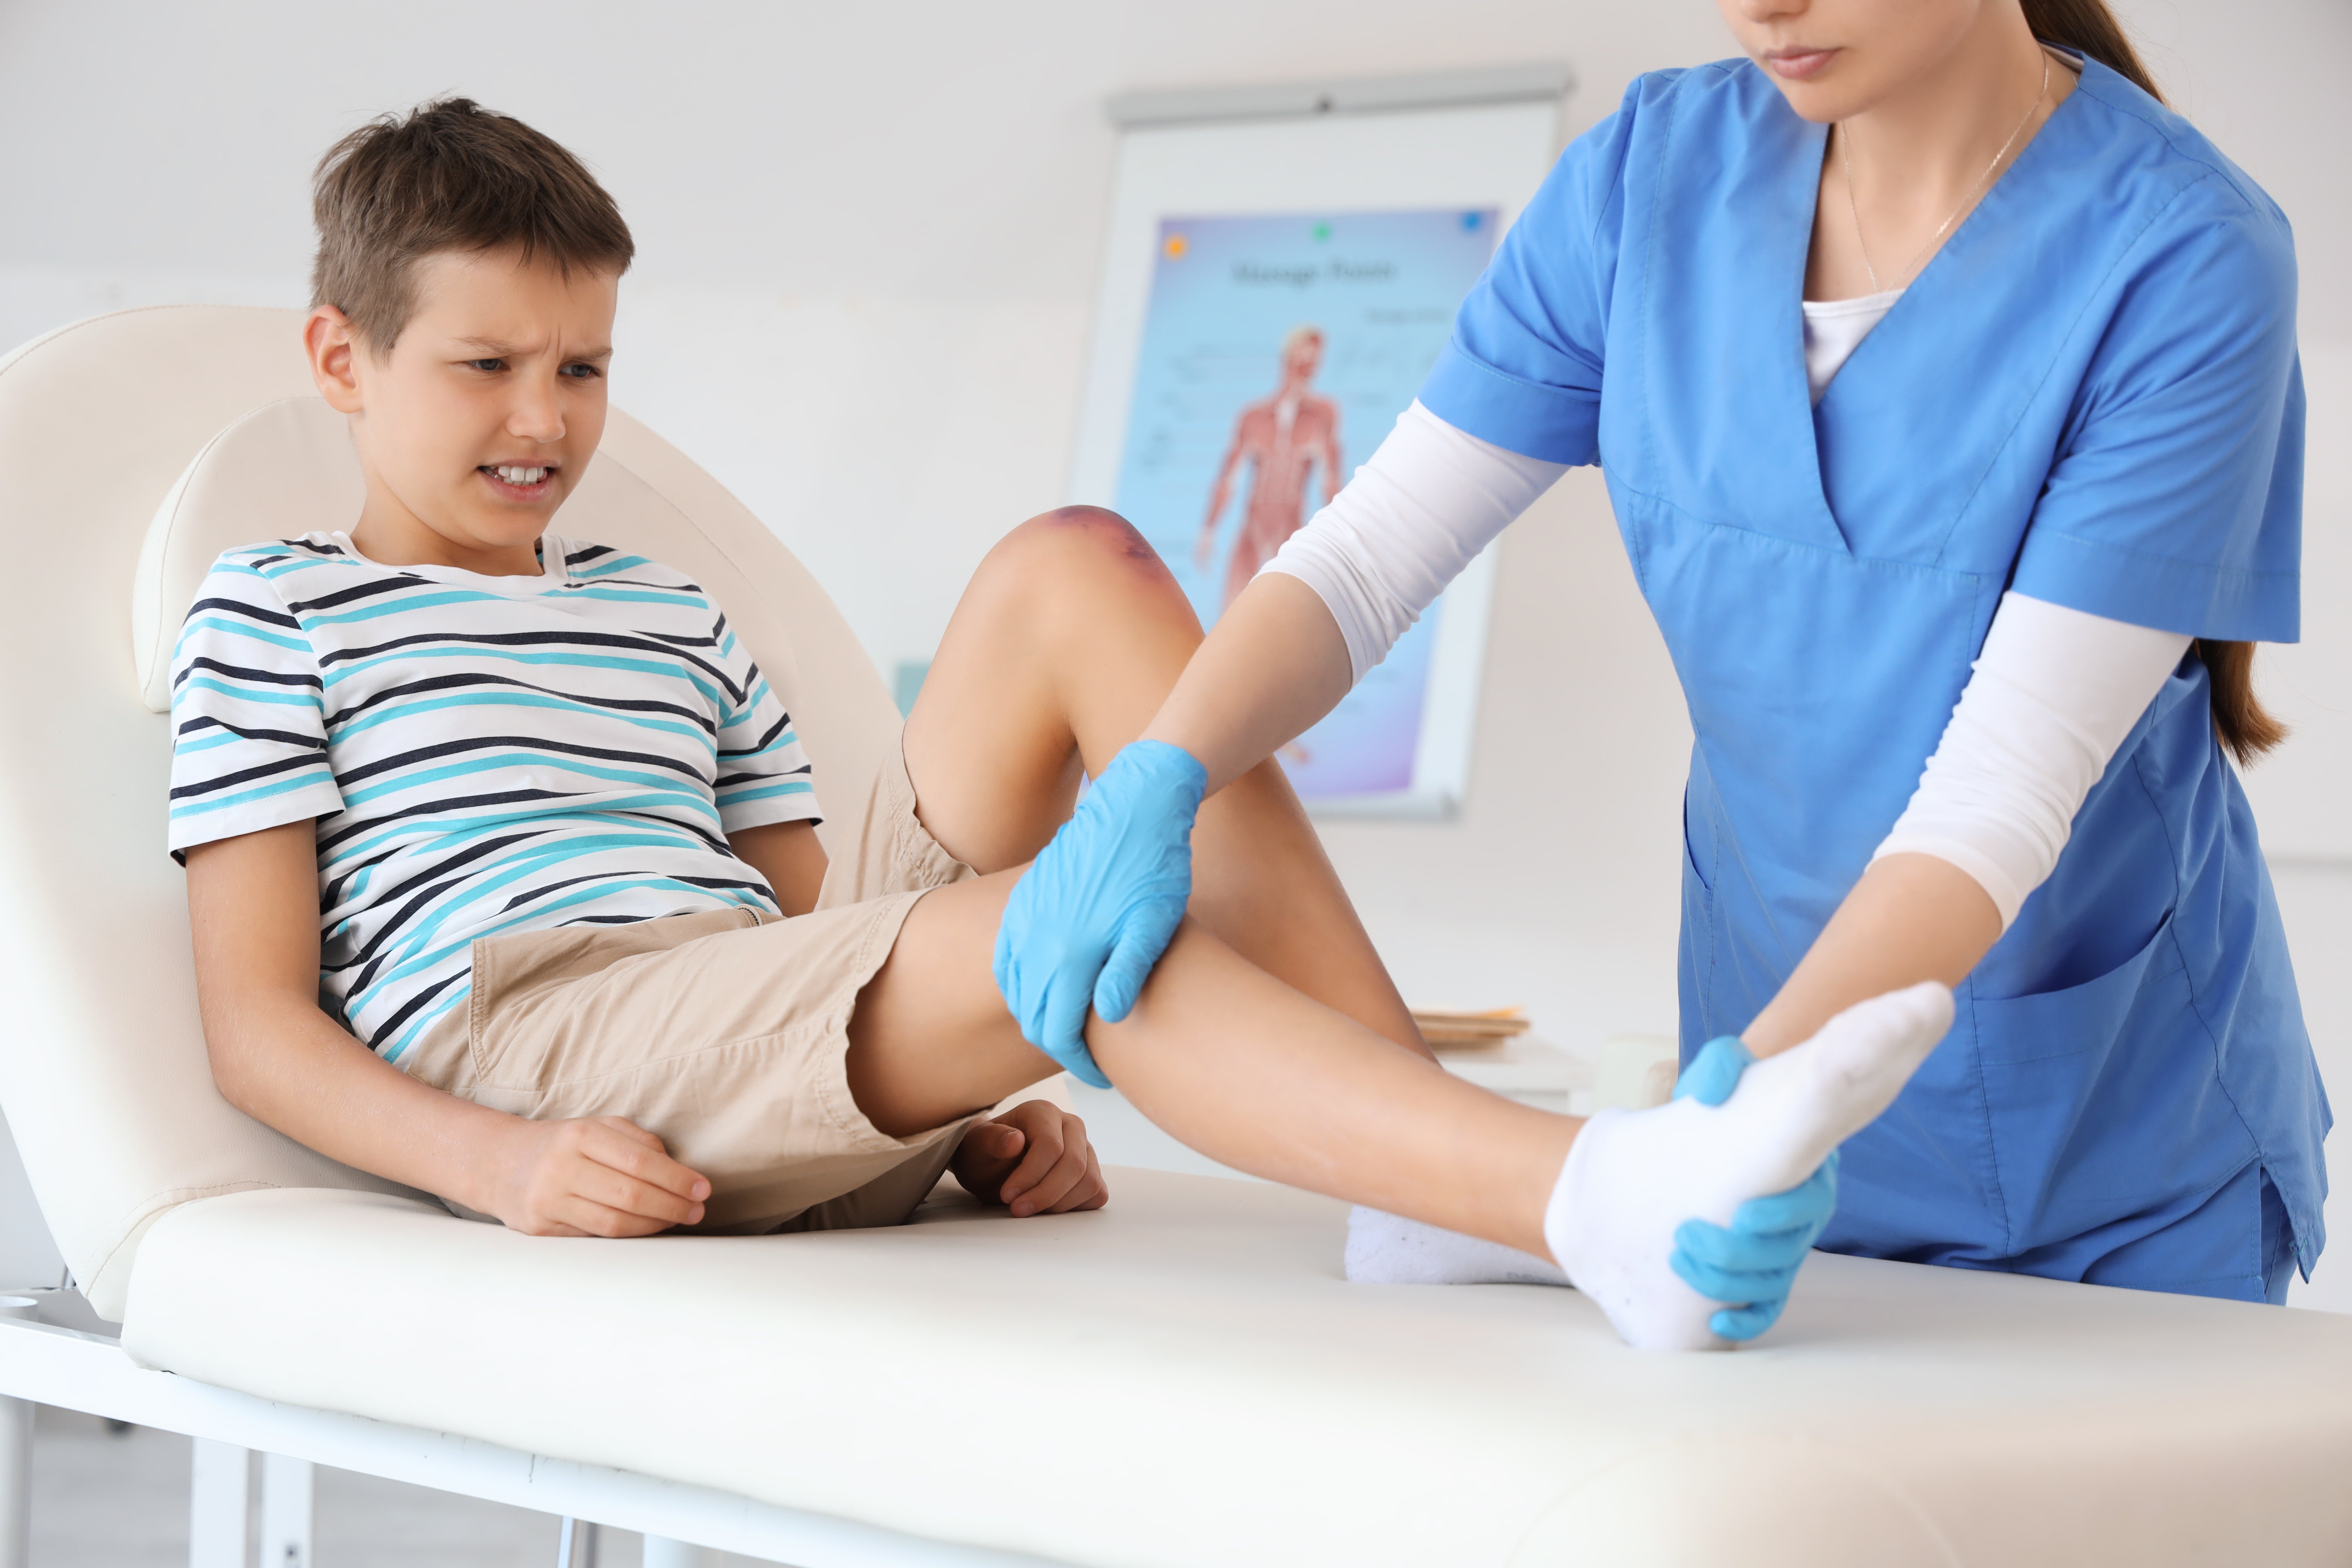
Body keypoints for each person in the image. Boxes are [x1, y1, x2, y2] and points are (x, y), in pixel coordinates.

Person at [170, 98, 1950, 1352]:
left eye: (584, 367)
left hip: (730, 1024)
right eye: (484, 366)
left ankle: (1410, 1163)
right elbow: (257, 1027)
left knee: (1073, 566)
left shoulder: (665, 606)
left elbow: (811, 943)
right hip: (539, 1035)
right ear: (343, 360)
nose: (544, 416)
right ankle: (1564, 1191)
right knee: (1086, 917)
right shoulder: (273, 609)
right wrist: (497, 1161)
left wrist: (944, 1116)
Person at [998, 0, 2328, 1324]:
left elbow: (1997, 789)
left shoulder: (2181, 256)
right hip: (1753, 1129)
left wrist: (1708, 1141)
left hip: (2102, 1157)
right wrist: (1160, 774)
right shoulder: (1649, 181)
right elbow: (1370, 554)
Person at [1195, 325, 1343, 609]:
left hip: (1290, 532)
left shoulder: (1323, 414)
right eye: (1305, 354)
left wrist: (1339, 542)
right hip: (1252, 530)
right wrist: (1209, 529)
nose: (1311, 363)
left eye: (1316, 357)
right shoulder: (1254, 416)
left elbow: (1331, 479)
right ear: (1288, 355)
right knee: (1232, 617)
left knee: (1284, 620)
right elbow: (1229, 478)